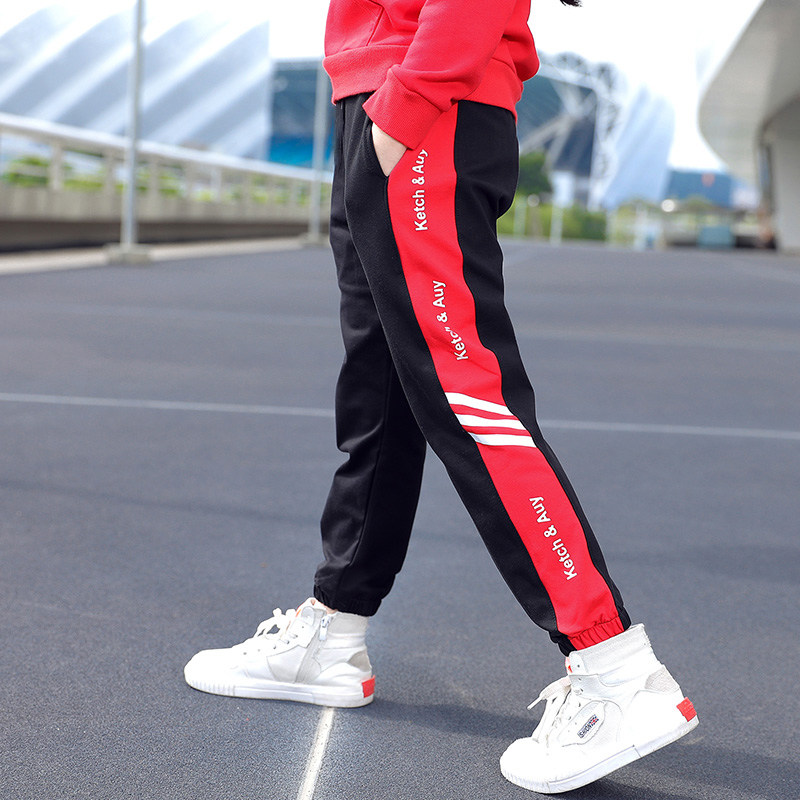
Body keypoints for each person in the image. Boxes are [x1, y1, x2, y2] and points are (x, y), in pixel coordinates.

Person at [184, 0, 699, 792]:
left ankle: (616, 670)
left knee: (468, 393)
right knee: (380, 389)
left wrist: (414, 96)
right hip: (380, 93)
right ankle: (335, 627)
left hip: (424, 97)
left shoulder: (420, 92)